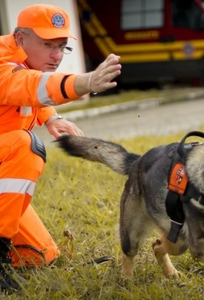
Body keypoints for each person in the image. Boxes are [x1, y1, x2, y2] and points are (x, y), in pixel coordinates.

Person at [0, 4, 121, 291]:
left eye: (61, 47)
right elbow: (26, 85)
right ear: (20, 39)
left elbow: (24, 91)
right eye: (47, 45)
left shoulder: (23, 59)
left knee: (41, 256)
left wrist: (51, 116)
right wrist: (87, 81)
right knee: (26, 145)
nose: (56, 56)